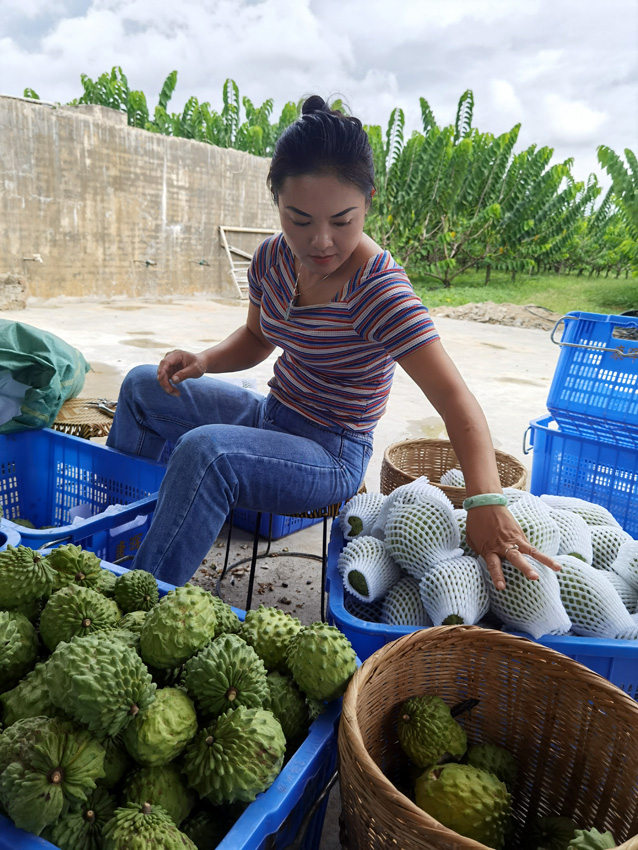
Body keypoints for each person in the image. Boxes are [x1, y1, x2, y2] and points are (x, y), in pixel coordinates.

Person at [106, 95, 561, 589]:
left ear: (368, 200)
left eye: (342, 221)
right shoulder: (271, 260)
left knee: (206, 453)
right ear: (277, 202)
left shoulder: (380, 292)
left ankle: (139, 597)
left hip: (329, 454)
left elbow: (456, 401)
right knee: (140, 387)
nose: (320, 242)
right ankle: (117, 529)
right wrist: (204, 359)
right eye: (299, 220)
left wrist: (485, 501)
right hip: (272, 417)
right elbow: (258, 338)